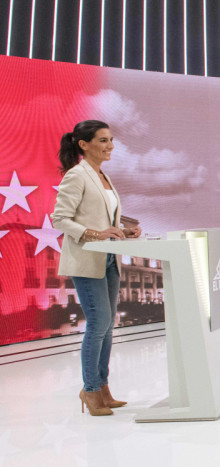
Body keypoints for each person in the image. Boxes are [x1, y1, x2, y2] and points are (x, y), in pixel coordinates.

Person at [51, 120, 142, 416]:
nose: (110, 146)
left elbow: (104, 219)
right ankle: (90, 391)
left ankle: (102, 388)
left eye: (111, 140)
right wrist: (97, 234)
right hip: (86, 258)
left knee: (107, 327)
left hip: (109, 258)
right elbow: (61, 219)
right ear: (84, 144)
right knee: (98, 325)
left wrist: (122, 232)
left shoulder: (103, 176)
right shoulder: (76, 176)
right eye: (103, 140)